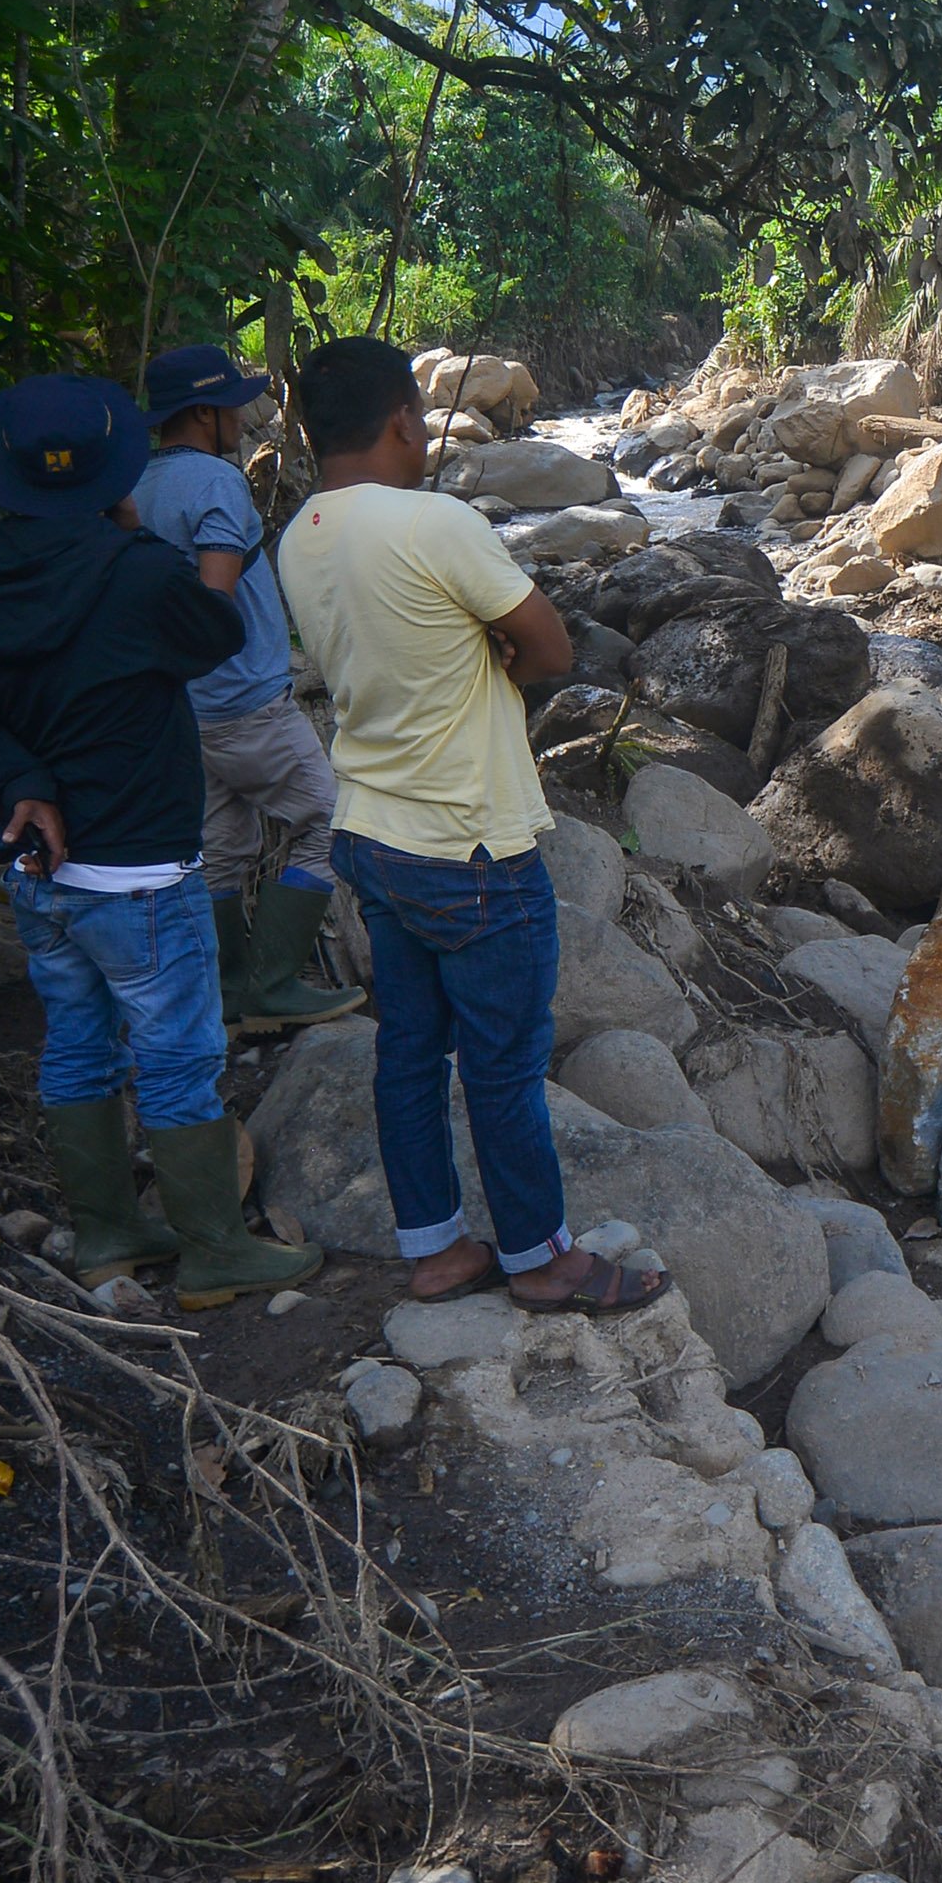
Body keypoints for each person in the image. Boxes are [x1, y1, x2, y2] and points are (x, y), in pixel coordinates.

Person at [0, 373, 324, 1310]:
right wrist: (134, 533)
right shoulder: (135, 570)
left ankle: (106, 1234)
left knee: (78, 1041)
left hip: (36, 863)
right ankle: (214, 1248)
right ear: (112, 473)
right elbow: (214, 632)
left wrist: (25, 778)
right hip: (140, 859)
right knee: (179, 1054)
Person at [274, 337, 664, 1313]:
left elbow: (398, 645)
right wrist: (496, 648)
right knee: (503, 1065)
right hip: (469, 841)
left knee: (408, 1051)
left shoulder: (299, 535)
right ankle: (542, 1260)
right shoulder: (433, 522)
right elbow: (551, 647)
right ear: (404, 422)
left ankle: (437, 1250)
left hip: (369, 830)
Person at [132, 341, 362, 1029]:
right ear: (204, 413)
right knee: (333, 820)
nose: (242, 416)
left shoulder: (137, 484)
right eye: (232, 403)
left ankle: (229, 991)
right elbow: (215, 601)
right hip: (245, 704)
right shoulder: (216, 482)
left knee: (223, 848)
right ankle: (273, 981)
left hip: (185, 707)